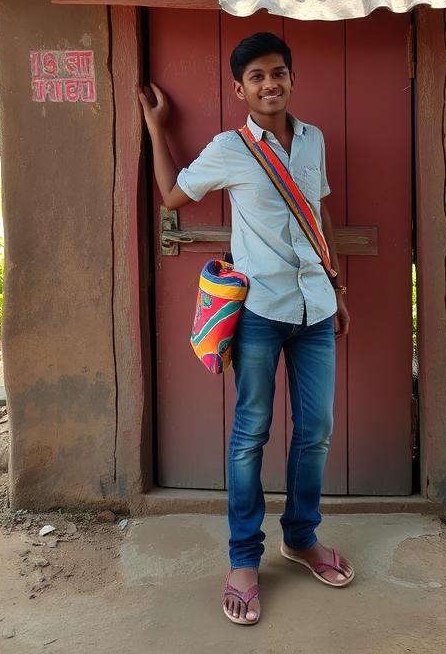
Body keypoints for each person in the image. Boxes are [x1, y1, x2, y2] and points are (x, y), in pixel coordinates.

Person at [137, 31, 355, 626]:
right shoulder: (229, 149)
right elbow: (171, 197)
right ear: (240, 89)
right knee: (250, 435)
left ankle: (301, 538)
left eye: (278, 72)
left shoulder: (313, 141)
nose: (269, 83)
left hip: (314, 307)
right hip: (259, 312)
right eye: (256, 76)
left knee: (316, 430)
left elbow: (321, 211)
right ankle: (242, 559)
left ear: (291, 79)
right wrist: (158, 128)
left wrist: (337, 287)